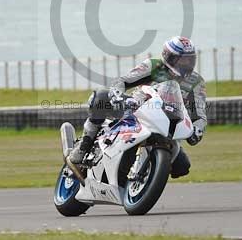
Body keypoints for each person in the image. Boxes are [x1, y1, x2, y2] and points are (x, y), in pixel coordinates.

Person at [66, 36, 207, 179]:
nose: (186, 63)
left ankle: (148, 175)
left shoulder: (196, 81)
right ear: (168, 56)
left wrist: (198, 129)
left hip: (168, 125)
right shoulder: (154, 65)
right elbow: (123, 81)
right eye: (182, 59)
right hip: (136, 109)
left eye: (190, 59)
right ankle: (83, 146)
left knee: (182, 167)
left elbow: (200, 114)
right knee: (100, 97)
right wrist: (117, 94)